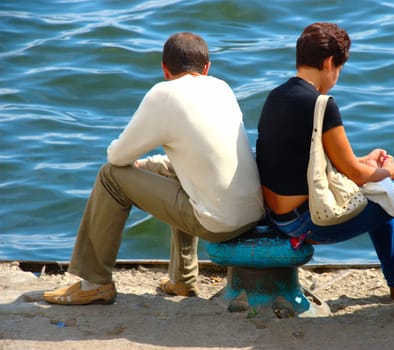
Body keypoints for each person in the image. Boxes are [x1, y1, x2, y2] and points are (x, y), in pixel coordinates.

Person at [44, 32, 264, 305]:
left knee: (110, 178)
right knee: (178, 173)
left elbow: (117, 157)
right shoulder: (222, 88)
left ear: (164, 69)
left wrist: (138, 165)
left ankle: (94, 283)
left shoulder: (164, 94)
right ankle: (182, 281)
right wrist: (148, 166)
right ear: (207, 68)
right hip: (252, 212)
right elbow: (198, 160)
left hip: (219, 223)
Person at [256, 22, 394, 303]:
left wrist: (368, 163)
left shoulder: (276, 97)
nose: (336, 76)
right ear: (329, 62)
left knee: (377, 191)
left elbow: (312, 162)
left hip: (279, 218)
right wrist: (388, 171)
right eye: (339, 69)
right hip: (308, 223)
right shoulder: (322, 104)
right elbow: (356, 175)